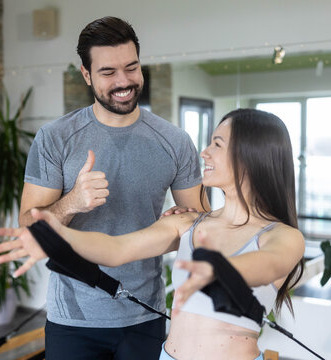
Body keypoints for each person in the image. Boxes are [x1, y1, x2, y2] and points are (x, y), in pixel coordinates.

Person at [0, 109, 305, 360]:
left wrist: (219, 270)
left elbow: (269, 264)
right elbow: (115, 249)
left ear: (250, 157)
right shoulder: (188, 223)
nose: (204, 152)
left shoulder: (282, 236)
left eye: (217, 145)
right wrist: (54, 235)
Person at [18, 16, 207, 360]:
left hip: (145, 314)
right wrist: (72, 202)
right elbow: (30, 228)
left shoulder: (175, 142)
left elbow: (201, 229)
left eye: (132, 68)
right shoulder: (55, 138)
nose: (124, 81)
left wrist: (179, 224)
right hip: (73, 320)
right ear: (87, 75)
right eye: (108, 73)